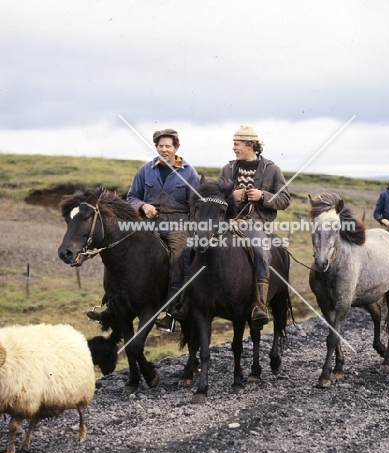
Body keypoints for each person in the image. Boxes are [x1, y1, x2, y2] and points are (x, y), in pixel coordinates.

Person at [87, 128, 199, 331]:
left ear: (176, 148)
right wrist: (143, 206)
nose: (163, 149)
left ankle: (173, 309)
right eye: (160, 146)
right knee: (120, 251)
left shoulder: (189, 173)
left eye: (168, 146)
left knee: (179, 254)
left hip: (177, 225)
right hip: (147, 224)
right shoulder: (145, 170)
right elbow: (131, 197)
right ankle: (112, 304)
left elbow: (195, 204)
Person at [219, 124, 291, 329]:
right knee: (198, 246)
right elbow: (217, 196)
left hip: (256, 224)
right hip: (228, 223)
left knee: (261, 252)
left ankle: (260, 304)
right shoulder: (228, 169)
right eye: (234, 144)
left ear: (250, 144)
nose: (234, 148)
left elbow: (285, 199)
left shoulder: (272, 170)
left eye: (237, 144)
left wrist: (263, 196)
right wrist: (229, 195)